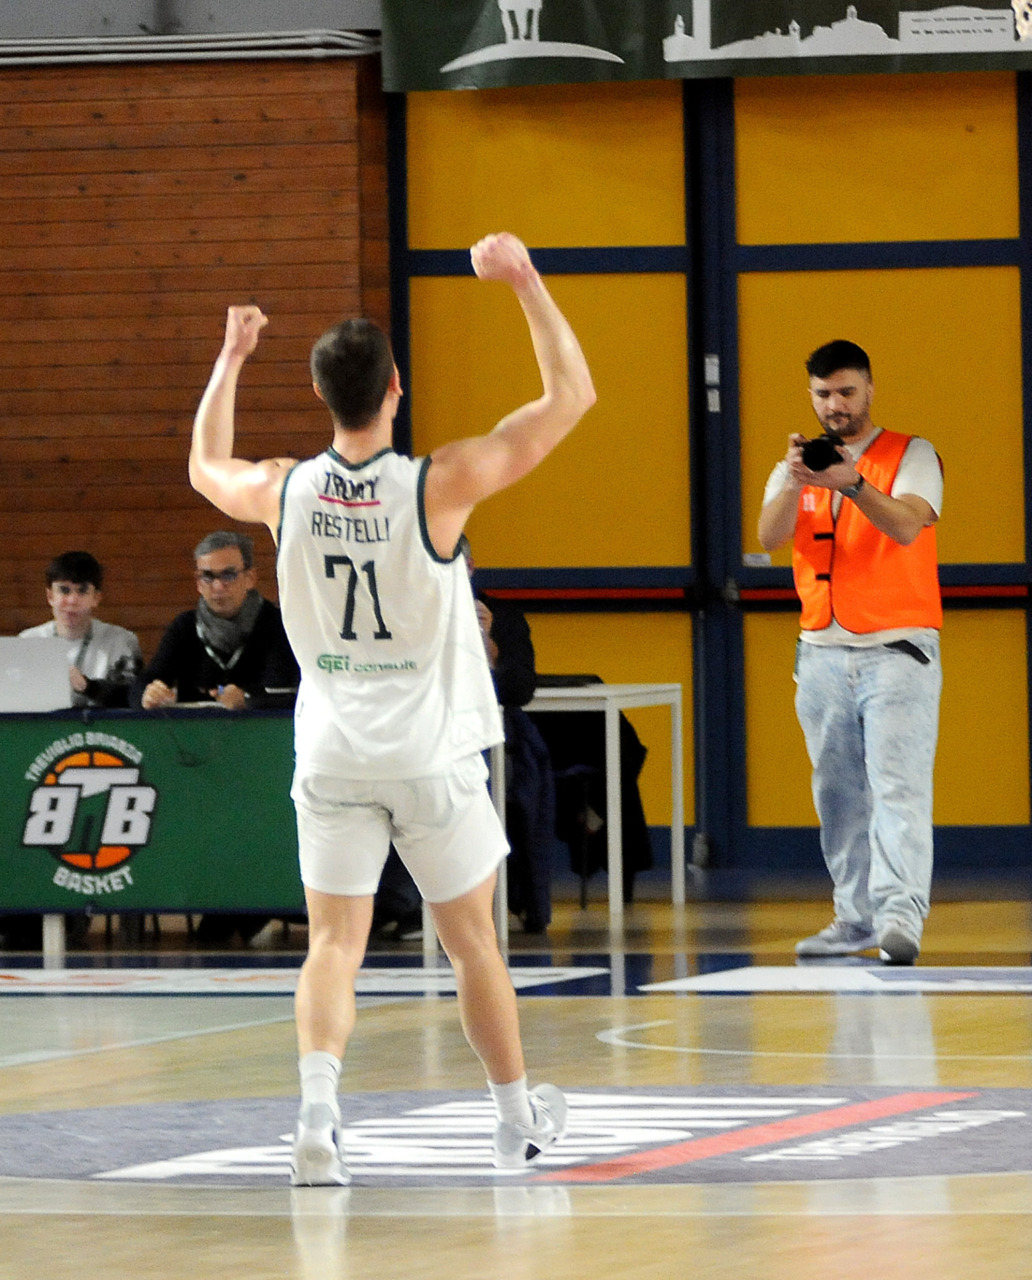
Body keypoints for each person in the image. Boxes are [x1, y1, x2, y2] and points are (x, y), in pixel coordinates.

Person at [187, 232, 596, 1184]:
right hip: (430, 753)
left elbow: (206, 462)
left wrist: (232, 356)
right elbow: (570, 396)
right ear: (396, 387)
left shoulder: (284, 488)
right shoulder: (437, 485)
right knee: (472, 944)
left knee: (334, 944)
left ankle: (317, 1120)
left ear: (320, 393)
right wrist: (523, 279)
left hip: (332, 750)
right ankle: (514, 1122)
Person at [757, 340, 944, 966]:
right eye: (823, 394)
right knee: (836, 795)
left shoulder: (911, 454)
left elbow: (907, 525)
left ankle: (899, 919)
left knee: (897, 788)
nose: (835, 405)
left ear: (869, 390)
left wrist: (854, 484)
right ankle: (853, 917)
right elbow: (768, 536)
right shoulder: (797, 466)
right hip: (820, 651)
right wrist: (796, 479)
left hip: (897, 650)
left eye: (846, 391)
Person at [134, 530, 299, 712]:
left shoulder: (278, 625)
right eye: (207, 576)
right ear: (198, 583)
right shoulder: (185, 626)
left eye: (228, 575)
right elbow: (143, 683)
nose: (218, 586)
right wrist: (147, 695)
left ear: (250, 578)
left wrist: (249, 700)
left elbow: (291, 695)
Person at [19, 550, 142, 708]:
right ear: (50, 596)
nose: (72, 600)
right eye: (64, 590)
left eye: (82, 591)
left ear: (96, 598)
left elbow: (134, 699)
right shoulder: (27, 642)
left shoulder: (121, 642)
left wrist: (87, 686)